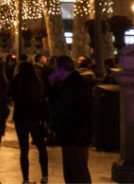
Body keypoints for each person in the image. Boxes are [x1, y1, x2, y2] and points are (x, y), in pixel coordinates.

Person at [52, 55, 93, 183]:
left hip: (76, 137)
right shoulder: (69, 84)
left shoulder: (76, 85)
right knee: (71, 174)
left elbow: (72, 110)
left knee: (78, 173)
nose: (55, 72)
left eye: (56, 69)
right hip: (70, 136)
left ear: (62, 69)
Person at [9, 61, 49, 184]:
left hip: (21, 117)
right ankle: (44, 176)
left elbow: (10, 94)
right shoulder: (37, 82)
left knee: (24, 149)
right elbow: (42, 100)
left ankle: (25, 179)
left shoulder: (17, 81)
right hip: (35, 117)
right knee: (42, 147)